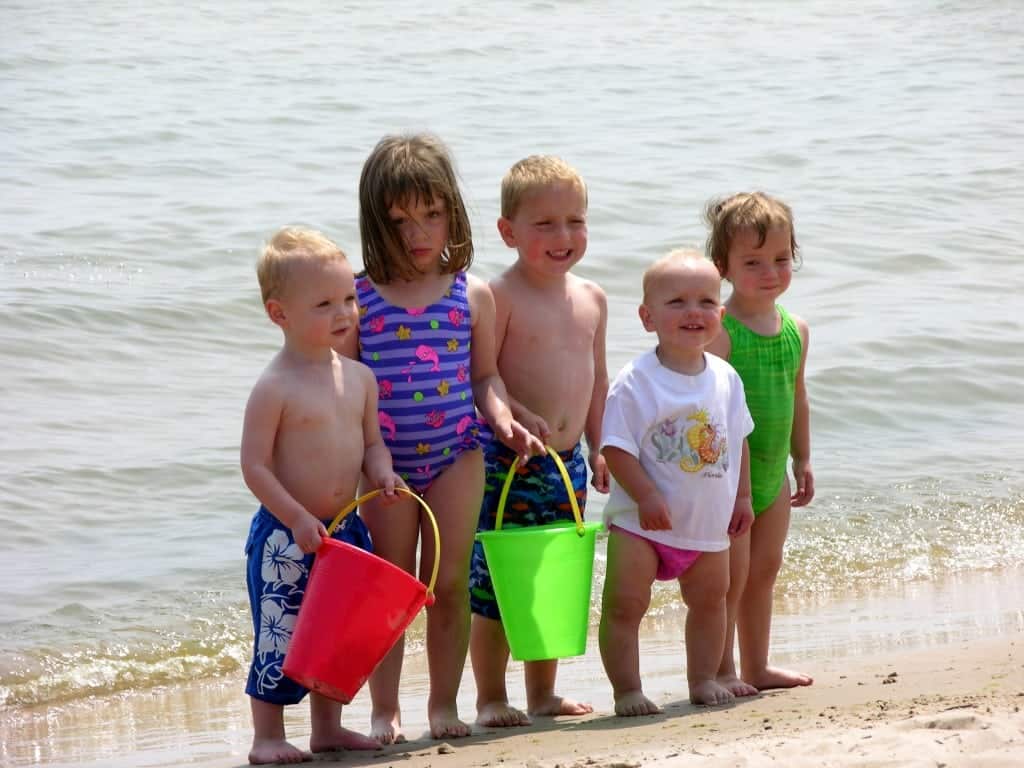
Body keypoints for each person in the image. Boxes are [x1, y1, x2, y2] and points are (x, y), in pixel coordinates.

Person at [340, 134, 544, 743]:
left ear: (452, 212)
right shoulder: (358, 298)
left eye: (431, 214)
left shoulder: (470, 293)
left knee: (449, 583)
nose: (418, 234)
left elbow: (485, 378)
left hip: (459, 453)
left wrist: (502, 419)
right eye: (399, 221)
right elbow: (344, 388)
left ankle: (443, 705)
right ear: (375, 223)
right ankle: (384, 711)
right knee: (390, 588)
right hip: (387, 465)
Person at [239, 227, 402, 765]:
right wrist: (294, 516)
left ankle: (327, 729)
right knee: (280, 632)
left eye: (349, 298)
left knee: (335, 634)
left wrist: (384, 474)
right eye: (324, 303)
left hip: (345, 529)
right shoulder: (275, 386)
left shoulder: (359, 378)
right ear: (278, 313)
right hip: (287, 534)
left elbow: (372, 444)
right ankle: (267, 735)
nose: (344, 312)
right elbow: (255, 466)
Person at [468, 155, 609, 728]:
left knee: (551, 576)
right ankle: (490, 697)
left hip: (567, 463)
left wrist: (600, 446)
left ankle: (543, 693)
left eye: (575, 221)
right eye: (545, 224)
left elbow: (597, 381)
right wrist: (512, 416)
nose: (563, 236)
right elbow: (483, 376)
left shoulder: (593, 297)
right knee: (497, 586)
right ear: (508, 232)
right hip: (509, 463)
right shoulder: (497, 296)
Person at [599, 248, 755, 716]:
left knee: (710, 602)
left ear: (721, 315)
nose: (694, 312)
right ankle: (627, 689)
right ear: (647, 317)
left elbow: (739, 438)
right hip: (642, 522)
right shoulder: (637, 380)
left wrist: (743, 496)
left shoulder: (726, 378)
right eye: (677, 302)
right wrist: (645, 495)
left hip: (706, 523)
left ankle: (703, 679)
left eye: (706, 301)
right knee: (624, 606)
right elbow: (615, 447)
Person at [705, 192, 815, 694]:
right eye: (753, 262)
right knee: (730, 576)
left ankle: (757, 665)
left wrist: (803, 458)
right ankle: (720, 668)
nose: (770, 272)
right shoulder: (720, 330)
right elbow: (706, 410)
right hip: (730, 476)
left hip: (774, 472)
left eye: (780, 259)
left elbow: (798, 394)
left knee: (765, 570)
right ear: (722, 265)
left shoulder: (796, 330)